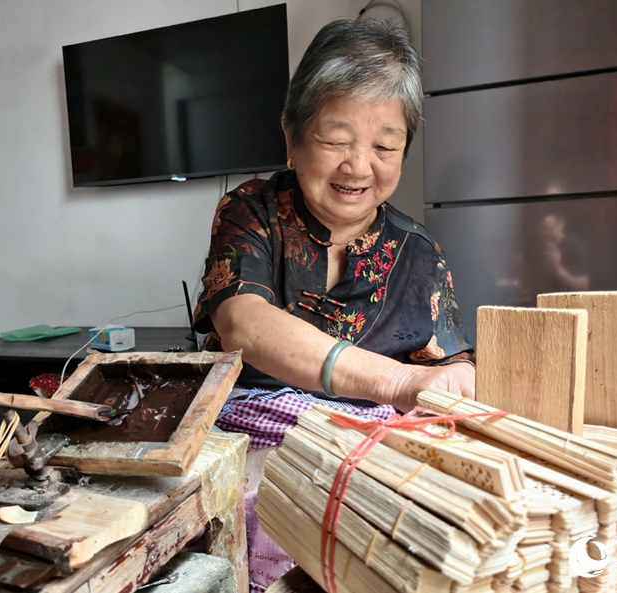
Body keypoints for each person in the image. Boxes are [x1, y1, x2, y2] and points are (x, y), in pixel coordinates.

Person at [192, 18, 476, 589]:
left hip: (367, 475)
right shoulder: (252, 211)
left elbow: (452, 368)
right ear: (292, 137)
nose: (358, 166)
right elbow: (242, 324)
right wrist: (394, 382)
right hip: (252, 460)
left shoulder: (418, 253)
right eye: (336, 139)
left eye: (384, 145)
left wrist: (454, 386)